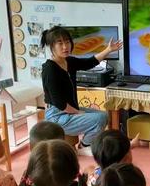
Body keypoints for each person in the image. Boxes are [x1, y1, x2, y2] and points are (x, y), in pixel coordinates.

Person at [41, 26, 122, 156]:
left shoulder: (68, 61)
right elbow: (59, 103)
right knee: (99, 118)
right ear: (51, 46)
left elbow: (89, 62)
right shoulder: (49, 69)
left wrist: (108, 50)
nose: (65, 47)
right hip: (57, 116)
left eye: (67, 42)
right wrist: (78, 112)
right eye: (60, 43)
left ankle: (83, 144)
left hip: (70, 109)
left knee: (104, 115)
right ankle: (85, 145)